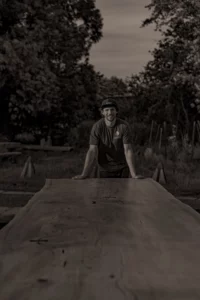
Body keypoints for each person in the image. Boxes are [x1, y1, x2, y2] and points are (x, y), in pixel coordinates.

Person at [73, 99, 142, 179]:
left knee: (123, 191)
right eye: (107, 110)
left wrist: (134, 174)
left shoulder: (123, 126)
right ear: (102, 112)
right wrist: (84, 174)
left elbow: (128, 150)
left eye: (112, 110)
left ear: (116, 111)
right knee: (105, 191)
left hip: (122, 168)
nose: (109, 113)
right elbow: (92, 151)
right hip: (104, 168)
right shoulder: (97, 127)